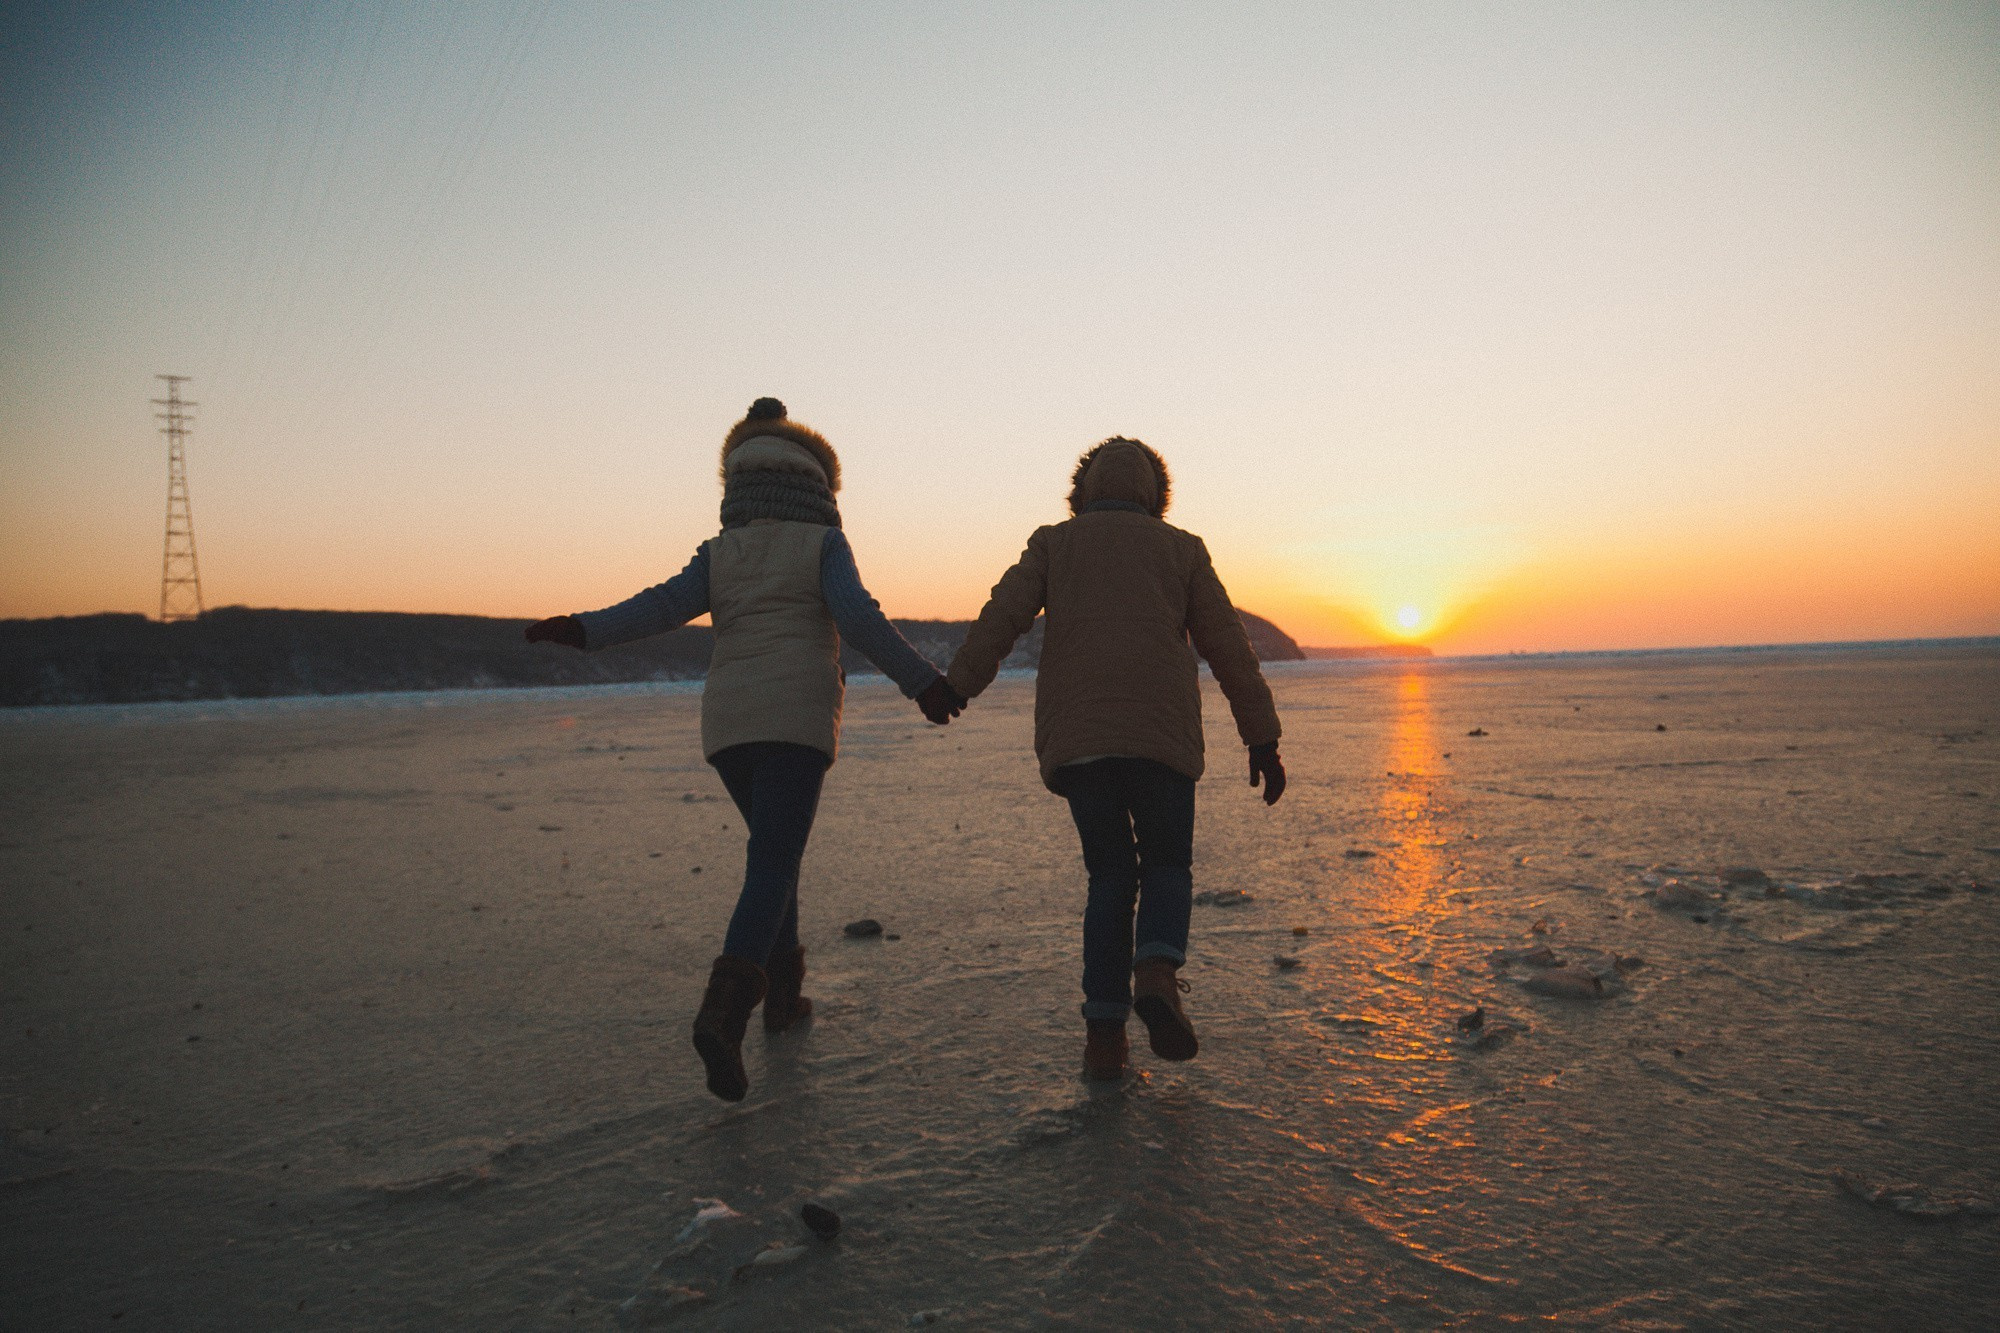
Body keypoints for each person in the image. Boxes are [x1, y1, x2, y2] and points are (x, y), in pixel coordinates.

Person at [525, 398, 965, 1102]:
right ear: (818, 482)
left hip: (728, 727)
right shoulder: (821, 543)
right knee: (775, 859)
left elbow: (658, 606)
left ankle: (784, 1000)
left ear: (737, 481)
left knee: (774, 852)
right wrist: (924, 684)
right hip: (794, 719)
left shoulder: (720, 552)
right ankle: (725, 1011)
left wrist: (582, 629)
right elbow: (857, 617)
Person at [943, 437, 1284, 1081]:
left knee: (1109, 877)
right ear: (1157, 496)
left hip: (1082, 743)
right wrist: (1261, 737)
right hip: (1162, 738)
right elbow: (1229, 648)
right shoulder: (1181, 550)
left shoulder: (1054, 543)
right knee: (1165, 864)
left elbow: (1002, 615)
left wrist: (957, 685)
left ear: (1082, 491)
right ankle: (1155, 971)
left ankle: (1104, 1039)